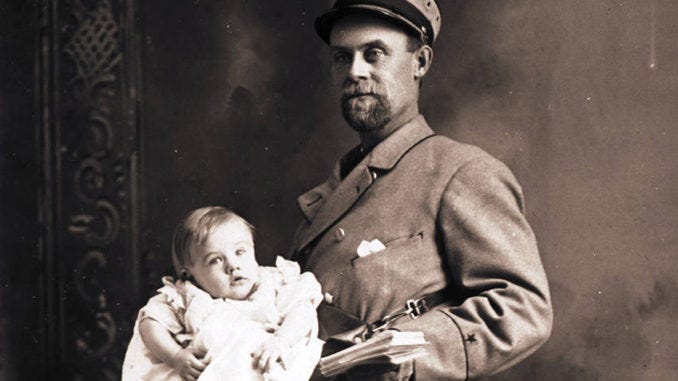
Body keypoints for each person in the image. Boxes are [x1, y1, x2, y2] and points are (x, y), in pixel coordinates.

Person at [289, 1, 553, 379]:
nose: (355, 71)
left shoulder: (460, 172)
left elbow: (523, 307)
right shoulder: (330, 192)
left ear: (421, 62)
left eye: (374, 54)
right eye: (341, 57)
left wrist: (402, 355)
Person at [122, 206, 323, 381]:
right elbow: (149, 323)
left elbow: (302, 310)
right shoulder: (186, 296)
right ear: (189, 274)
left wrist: (281, 340)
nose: (233, 266)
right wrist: (175, 356)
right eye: (215, 260)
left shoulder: (274, 283)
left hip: (264, 365)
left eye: (240, 252)